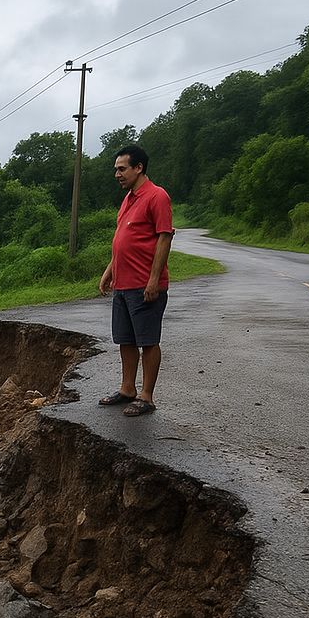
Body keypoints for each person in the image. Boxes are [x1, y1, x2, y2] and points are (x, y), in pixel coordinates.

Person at [97, 144, 173, 417]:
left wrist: (154, 281)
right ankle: (127, 389)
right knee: (126, 340)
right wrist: (110, 271)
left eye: (121, 169)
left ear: (139, 168)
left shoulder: (157, 196)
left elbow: (164, 237)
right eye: (116, 169)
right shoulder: (128, 198)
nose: (116, 174)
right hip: (123, 285)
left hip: (145, 285)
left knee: (148, 341)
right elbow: (122, 241)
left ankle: (147, 396)